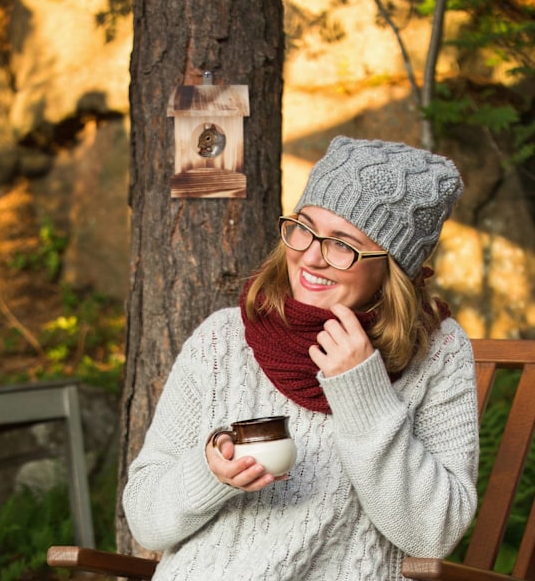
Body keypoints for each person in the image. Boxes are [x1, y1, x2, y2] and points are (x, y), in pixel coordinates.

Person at [122, 136, 480, 580]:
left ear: (392, 268)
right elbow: (144, 520)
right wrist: (210, 475)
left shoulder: (439, 352)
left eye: (342, 245)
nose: (311, 256)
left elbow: (432, 535)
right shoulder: (223, 338)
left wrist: (362, 392)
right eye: (304, 228)